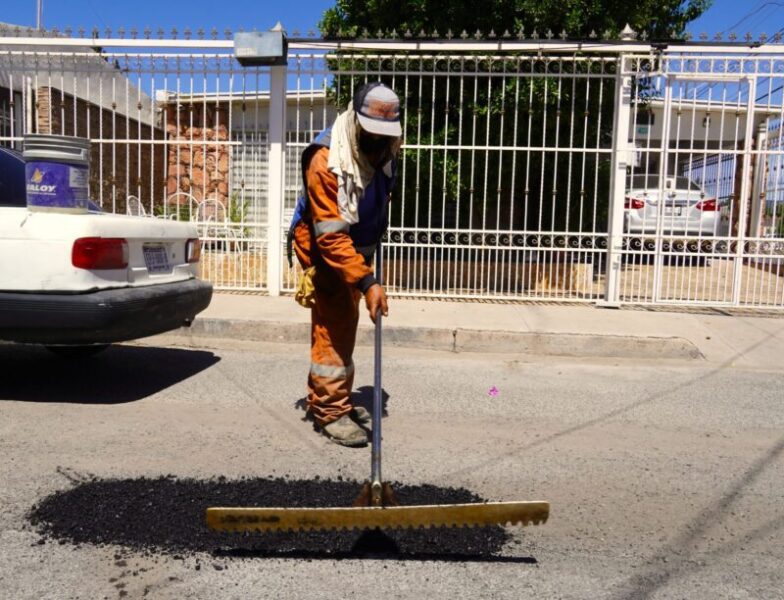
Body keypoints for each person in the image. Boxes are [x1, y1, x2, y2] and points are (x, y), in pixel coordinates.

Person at [289, 82, 402, 447]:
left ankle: (334, 398)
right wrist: (367, 282)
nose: (379, 144)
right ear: (355, 121)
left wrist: (365, 268)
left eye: (386, 136)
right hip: (326, 252)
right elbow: (331, 236)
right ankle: (329, 411)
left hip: (355, 252)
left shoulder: (385, 152)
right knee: (334, 326)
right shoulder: (327, 160)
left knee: (344, 327)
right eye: (372, 134)